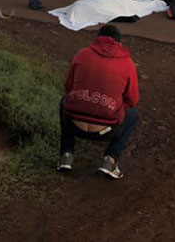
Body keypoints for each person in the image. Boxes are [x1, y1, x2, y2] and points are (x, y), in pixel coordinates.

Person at [57, 24, 140, 179]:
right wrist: (113, 105)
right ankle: (110, 160)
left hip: (73, 123)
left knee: (64, 102)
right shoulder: (127, 63)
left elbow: (68, 87)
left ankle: (65, 156)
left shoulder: (82, 54)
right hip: (108, 130)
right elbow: (133, 100)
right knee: (133, 115)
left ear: (97, 39)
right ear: (119, 43)